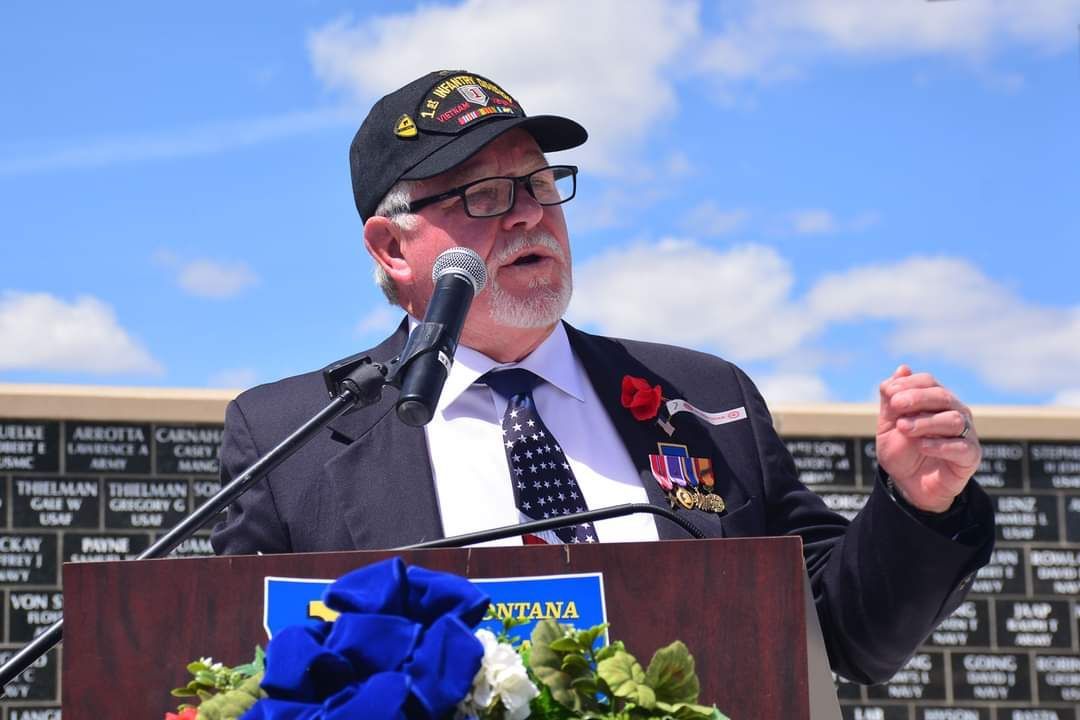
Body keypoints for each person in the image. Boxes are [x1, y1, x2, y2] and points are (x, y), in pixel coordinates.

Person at [211, 70, 994, 685]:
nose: (528, 214)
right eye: (483, 194)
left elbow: (846, 634)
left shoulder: (706, 397)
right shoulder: (290, 439)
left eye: (538, 183)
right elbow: (239, 673)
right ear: (391, 246)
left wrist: (918, 503)